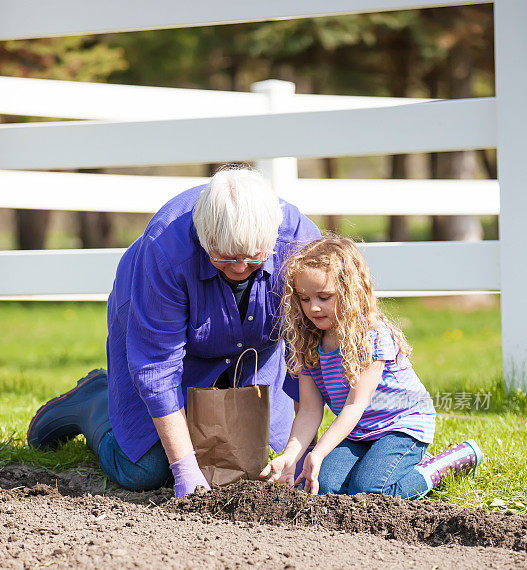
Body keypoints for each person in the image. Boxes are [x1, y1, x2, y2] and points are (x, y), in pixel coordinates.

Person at [27, 166, 320, 496]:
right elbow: (158, 365)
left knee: (252, 463)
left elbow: (311, 340)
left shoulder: (299, 241)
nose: (239, 268)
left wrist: (303, 448)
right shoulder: (165, 247)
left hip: (255, 346)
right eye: (224, 256)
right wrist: (184, 468)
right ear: (204, 236)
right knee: (144, 471)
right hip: (166, 340)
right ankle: (95, 398)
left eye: (253, 257)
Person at [261, 235, 483, 498]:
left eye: (324, 296)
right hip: (358, 431)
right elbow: (309, 409)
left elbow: (357, 403)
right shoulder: (308, 342)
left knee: (369, 491)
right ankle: (384, 463)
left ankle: (446, 462)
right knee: (327, 489)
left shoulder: (371, 335)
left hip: (401, 425)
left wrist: (319, 452)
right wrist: (290, 455)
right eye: (305, 298)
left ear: (349, 291)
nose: (314, 307)